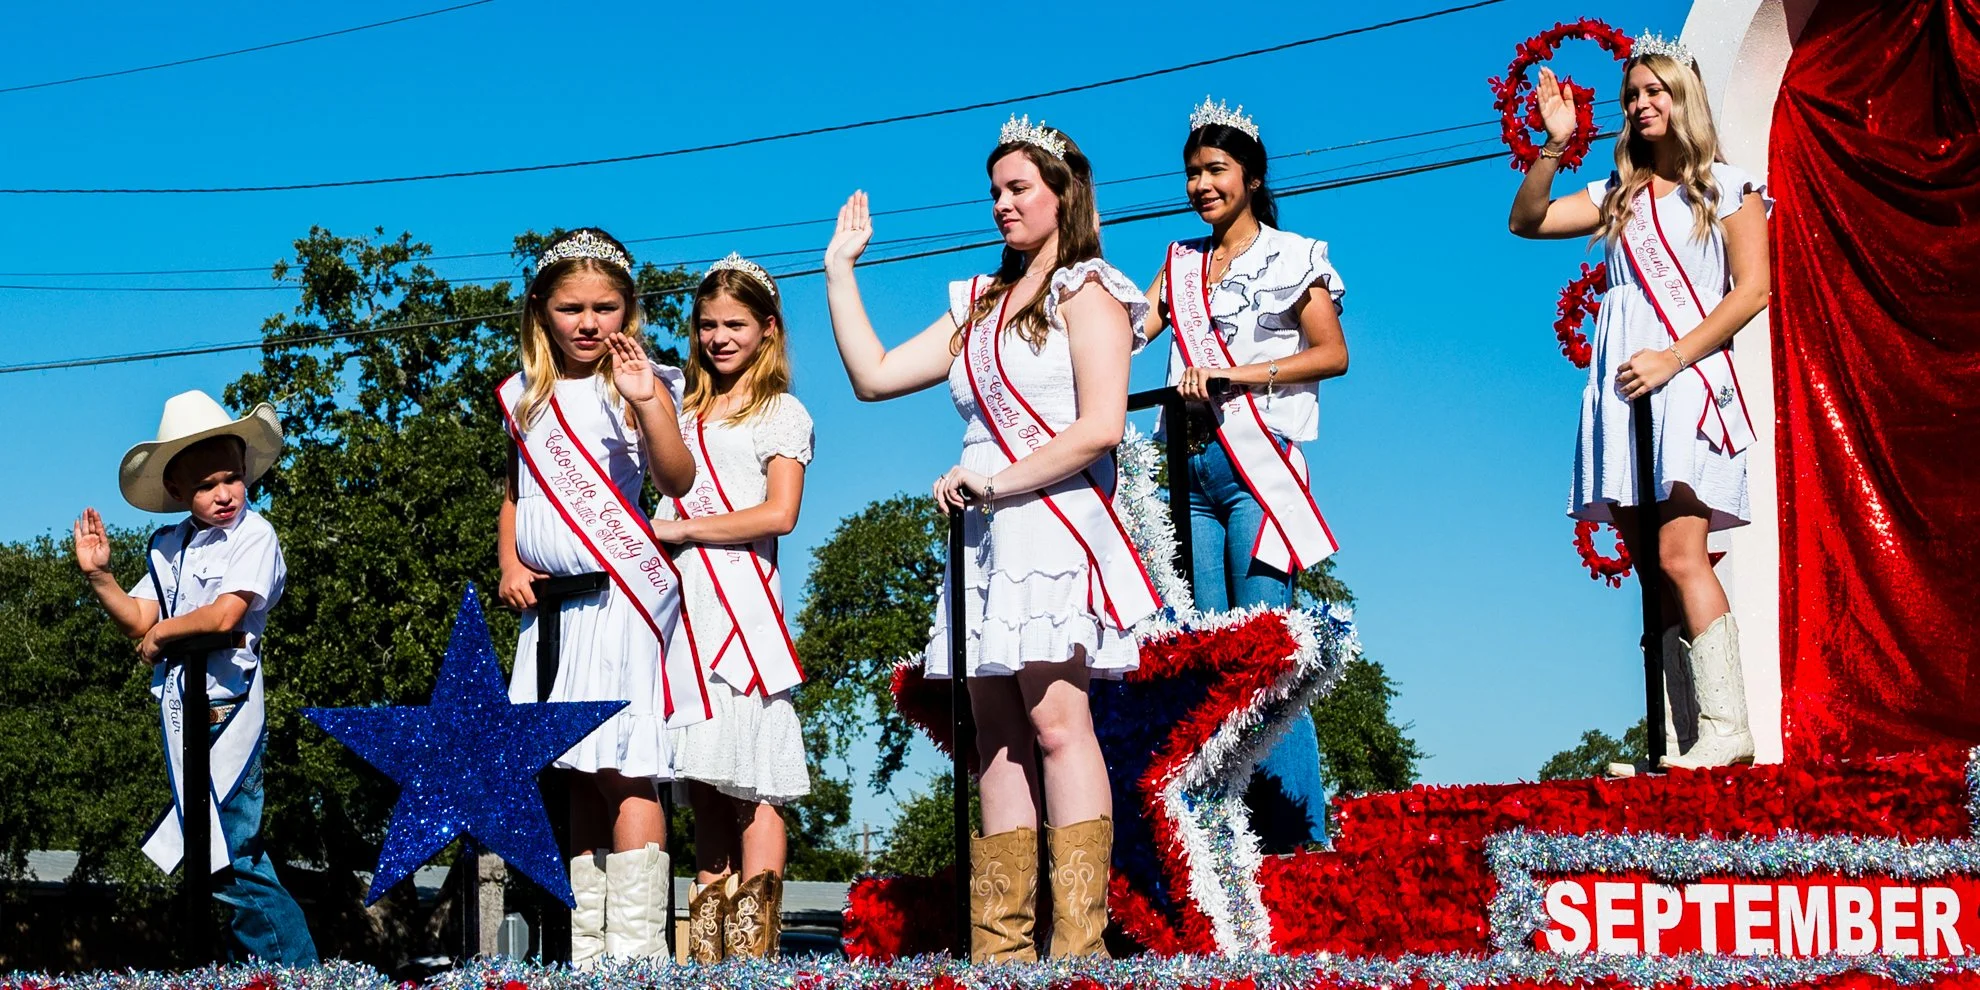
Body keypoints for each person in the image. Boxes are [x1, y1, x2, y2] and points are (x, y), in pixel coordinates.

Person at [823, 116, 1155, 961]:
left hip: (1049, 518)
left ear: (1062, 194)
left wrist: (997, 482)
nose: (1004, 205)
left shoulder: (1092, 290)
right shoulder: (976, 304)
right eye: (996, 192)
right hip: (981, 537)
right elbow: (874, 377)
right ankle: (1000, 950)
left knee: (1055, 723)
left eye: (1020, 189)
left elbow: (1099, 428)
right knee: (995, 737)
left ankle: (1078, 945)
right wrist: (838, 270)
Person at [1508, 36, 1772, 771]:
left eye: (1656, 90)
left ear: (1685, 96)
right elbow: (1525, 221)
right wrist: (1557, 145)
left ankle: (1728, 730)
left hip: (1685, 380)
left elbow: (1753, 290)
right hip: (1623, 390)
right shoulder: (1616, 195)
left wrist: (1673, 358)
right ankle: (1676, 739)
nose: (1642, 103)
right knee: (1650, 566)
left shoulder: (1728, 185)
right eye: (1632, 95)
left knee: (1680, 553)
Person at [1141, 98, 1350, 849]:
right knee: (1210, 660)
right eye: (1193, 172)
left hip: (1258, 468)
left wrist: (1239, 372)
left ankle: (1302, 839)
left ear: (1252, 177)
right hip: (1187, 472)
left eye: (1216, 170)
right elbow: (1131, 334)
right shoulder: (1179, 265)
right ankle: (1234, 831)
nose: (1202, 185)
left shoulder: (1297, 255)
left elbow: (1333, 353)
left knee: (1267, 654)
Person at [496, 227, 702, 964]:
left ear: (629, 310)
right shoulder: (523, 394)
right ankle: (588, 956)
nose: (589, 323)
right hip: (551, 610)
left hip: (618, 601)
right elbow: (518, 490)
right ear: (541, 312)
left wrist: (648, 402)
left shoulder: (642, 382)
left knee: (623, 765)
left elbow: (676, 480)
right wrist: (508, 561)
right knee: (574, 771)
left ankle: (639, 955)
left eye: (605, 307)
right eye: (572, 307)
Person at [73, 389, 318, 965]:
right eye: (206, 485)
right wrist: (101, 579)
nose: (224, 493)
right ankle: (253, 968)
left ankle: (299, 972)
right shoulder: (168, 546)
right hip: (185, 712)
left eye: (232, 478)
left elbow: (227, 613)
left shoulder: (255, 534)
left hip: (228, 710)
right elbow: (140, 615)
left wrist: (162, 636)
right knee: (211, 854)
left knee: (232, 852)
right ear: (178, 492)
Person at [654, 254, 814, 962]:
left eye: (735, 325)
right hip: (681, 612)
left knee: (756, 786)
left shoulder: (783, 412)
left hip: (742, 609)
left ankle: (756, 961)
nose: (718, 337)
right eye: (707, 324)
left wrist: (688, 528)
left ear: (767, 330)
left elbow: (780, 514)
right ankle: (707, 961)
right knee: (707, 789)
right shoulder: (679, 409)